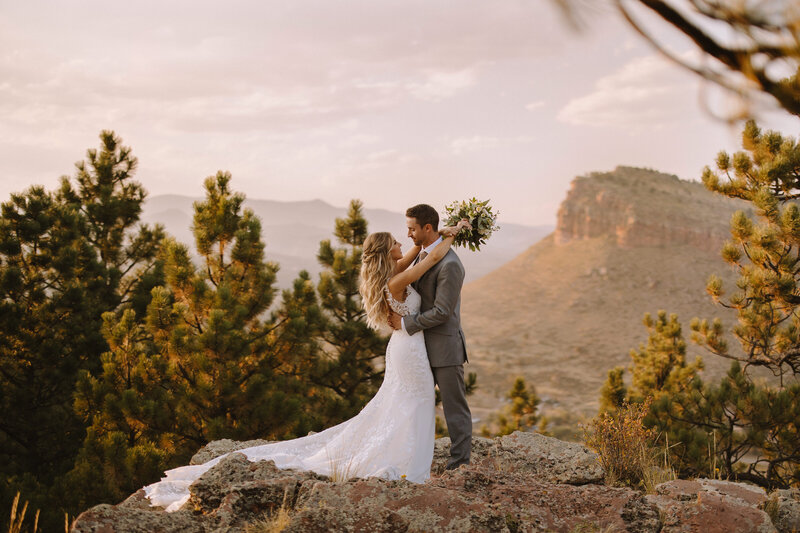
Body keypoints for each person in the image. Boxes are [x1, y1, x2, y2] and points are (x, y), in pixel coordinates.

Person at [143, 218, 471, 512]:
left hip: (405, 347)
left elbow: (417, 254)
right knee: (415, 402)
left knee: (408, 404)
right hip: (408, 349)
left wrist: (427, 237)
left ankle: (410, 464)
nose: (405, 242)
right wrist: (453, 234)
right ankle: (409, 467)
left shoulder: (391, 274)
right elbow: (430, 258)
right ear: (388, 252)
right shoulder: (396, 281)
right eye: (398, 242)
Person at [388, 203, 472, 470]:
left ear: (427, 228)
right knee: (413, 406)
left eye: (412, 229)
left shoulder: (450, 264)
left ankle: (459, 465)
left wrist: (405, 322)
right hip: (418, 349)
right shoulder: (418, 256)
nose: (408, 234)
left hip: (445, 348)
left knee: (454, 408)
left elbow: (443, 312)